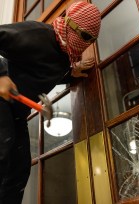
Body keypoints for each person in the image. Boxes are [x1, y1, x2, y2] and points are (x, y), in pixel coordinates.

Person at [0, 2, 101, 203]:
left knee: (19, 171)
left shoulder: (65, 56)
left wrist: (70, 73)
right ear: (70, 25)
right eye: (86, 37)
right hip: (2, 102)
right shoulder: (35, 33)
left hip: (18, 113)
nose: (88, 44)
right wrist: (1, 75)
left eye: (93, 40)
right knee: (2, 150)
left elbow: (41, 69)